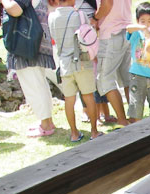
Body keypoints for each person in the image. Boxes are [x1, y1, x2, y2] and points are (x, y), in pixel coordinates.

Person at [0, 0, 57, 138]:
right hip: (35, 40)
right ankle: (47, 121)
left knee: (33, 85)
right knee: (39, 83)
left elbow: (16, 10)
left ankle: (46, 125)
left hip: (27, 43)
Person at [48, 0, 100, 141]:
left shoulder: (52, 17)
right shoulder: (80, 15)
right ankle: (94, 131)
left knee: (69, 99)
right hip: (82, 61)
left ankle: (74, 133)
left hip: (64, 64)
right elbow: (88, 37)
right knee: (88, 96)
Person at [93, 0, 131, 126]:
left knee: (105, 80)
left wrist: (95, 18)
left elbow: (107, 4)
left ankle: (122, 120)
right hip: (127, 30)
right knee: (128, 78)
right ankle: (135, 118)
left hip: (111, 33)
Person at [125, 2, 150, 121]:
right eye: (143, 21)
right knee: (136, 106)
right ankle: (136, 128)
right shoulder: (136, 35)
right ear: (137, 21)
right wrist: (141, 28)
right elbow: (128, 28)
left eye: (149, 21)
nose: (146, 24)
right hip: (136, 76)